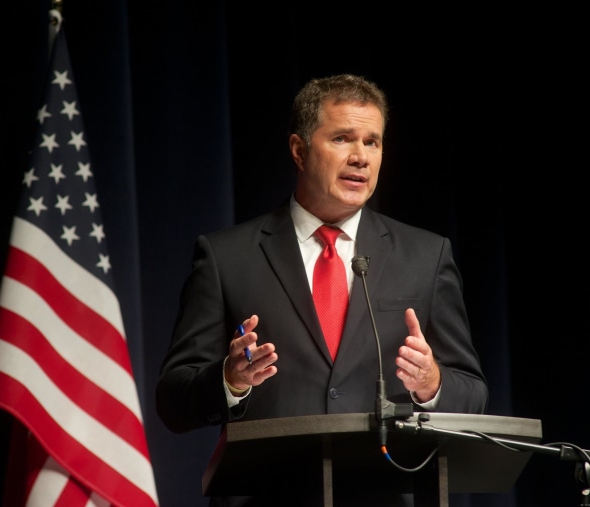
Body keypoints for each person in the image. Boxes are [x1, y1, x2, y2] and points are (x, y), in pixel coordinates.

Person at [156, 74, 488, 506]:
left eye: (373, 142)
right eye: (343, 138)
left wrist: (432, 382)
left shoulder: (426, 256)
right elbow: (174, 398)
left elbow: (473, 391)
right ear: (298, 150)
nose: (361, 157)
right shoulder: (226, 257)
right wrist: (230, 380)